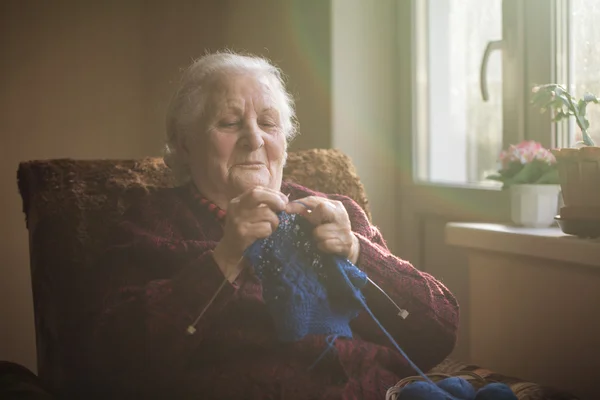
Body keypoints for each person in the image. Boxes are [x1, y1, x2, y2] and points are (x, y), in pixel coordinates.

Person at [89, 51, 459, 399]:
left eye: (268, 123)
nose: (254, 138)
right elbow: (114, 362)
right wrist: (224, 259)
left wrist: (359, 252)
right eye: (230, 123)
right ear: (185, 143)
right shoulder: (151, 224)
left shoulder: (334, 213)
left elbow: (436, 333)